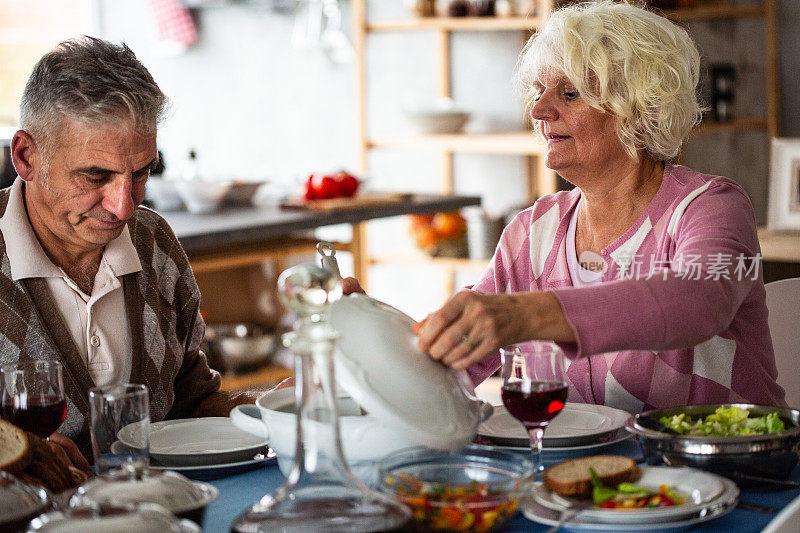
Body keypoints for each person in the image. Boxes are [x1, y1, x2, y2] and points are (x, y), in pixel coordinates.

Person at [351, 1, 786, 411]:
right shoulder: (534, 230)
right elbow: (457, 358)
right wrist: (369, 333)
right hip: (596, 485)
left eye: (570, 93)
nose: (540, 110)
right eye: (539, 91)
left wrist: (529, 314)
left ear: (638, 109)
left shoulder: (710, 206)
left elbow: (699, 300)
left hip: (739, 474)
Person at [1, 37, 267, 469]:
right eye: (95, 176)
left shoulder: (154, 242)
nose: (124, 206)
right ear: (26, 156)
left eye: (141, 173)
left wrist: (281, 406)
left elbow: (191, 404)